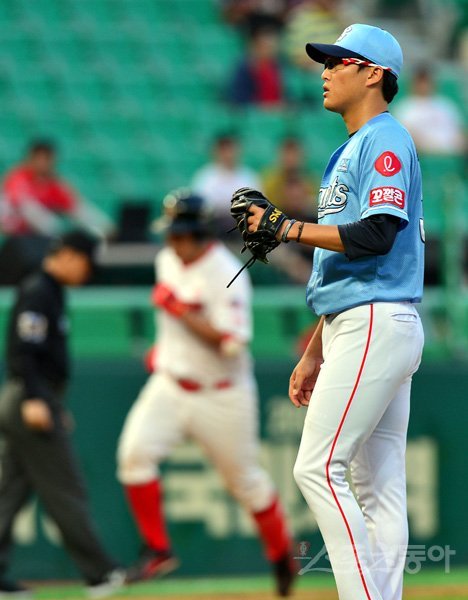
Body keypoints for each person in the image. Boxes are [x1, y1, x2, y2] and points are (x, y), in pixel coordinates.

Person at [241, 23, 425, 600]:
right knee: (380, 489)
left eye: (338, 61)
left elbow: (373, 235)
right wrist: (315, 347)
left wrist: (286, 226)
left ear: (373, 73)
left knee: (316, 469)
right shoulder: (353, 146)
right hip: (365, 319)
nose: (324, 69)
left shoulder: (385, 139)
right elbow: (351, 261)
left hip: (376, 319)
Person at [117, 189, 295, 597]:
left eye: (180, 235)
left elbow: (232, 342)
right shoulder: (167, 259)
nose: (172, 243)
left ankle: (281, 555)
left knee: (246, 484)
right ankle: (158, 551)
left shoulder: (227, 273)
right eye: (170, 235)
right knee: (133, 457)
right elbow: (173, 322)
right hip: (171, 385)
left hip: (222, 394)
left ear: (199, 234)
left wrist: (181, 310)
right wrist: (165, 348)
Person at [0, 231, 125, 599]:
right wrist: (38, 400)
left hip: (28, 397)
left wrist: (48, 401)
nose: (87, 272)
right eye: (85, 262)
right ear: (69, 256)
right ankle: (100, 574)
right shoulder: (40, 289)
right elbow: (25, 351)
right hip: (27, 397)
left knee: (9, 492)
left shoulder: (48, 290)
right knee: (66, 488)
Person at [1, 139, 115, 237]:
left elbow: (74, 205)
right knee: (30, 209)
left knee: (82, 213)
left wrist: (102, 226)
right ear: (31, 158)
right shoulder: (18, 177)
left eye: (47, 158)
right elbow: (21, 204)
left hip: (35, 234)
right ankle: (59, 238)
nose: (43, 163)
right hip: (11, 228)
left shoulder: (54, 183)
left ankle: (107, 233)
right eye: (40, 158)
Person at [191, 134, 261, 233]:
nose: (228, 154)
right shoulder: (205, 177)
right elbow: (200, 210)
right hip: (213, 229)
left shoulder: (249, 177)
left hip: (243, 230)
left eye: (231, 149)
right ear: (216, 151)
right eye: (224, 150)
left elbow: (259, 208)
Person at [394, 65, 465, 156]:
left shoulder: (445, 104)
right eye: (421, 82)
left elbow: (459, 131)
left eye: (426, 82)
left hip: (453, 153)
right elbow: (405, 137)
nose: (424, 86)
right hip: (423, 156)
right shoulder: (405, 107)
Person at [227, 26, 285, 107]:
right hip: (252, 115)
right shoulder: (244, 69)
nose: (271, 50)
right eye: (267, 46)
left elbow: (283, 96)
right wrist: (266, 108)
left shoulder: (277, 67)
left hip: (276, 115)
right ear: (256, 47)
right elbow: (239, 101)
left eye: (273, 47)